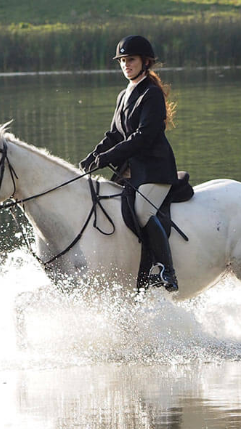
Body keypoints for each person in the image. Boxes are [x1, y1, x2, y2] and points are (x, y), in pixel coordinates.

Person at [79, 35, 181, 292]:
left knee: (142, 212)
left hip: (155, 170)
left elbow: (143, 137)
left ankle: (167, 272)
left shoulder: (152, 94)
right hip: (131, 170)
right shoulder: (124, 95)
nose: (126, 64)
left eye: (131, 60)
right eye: (122, 60)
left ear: (145, 62)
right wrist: (93, 157)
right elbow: (114, 134)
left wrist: (109, 157)